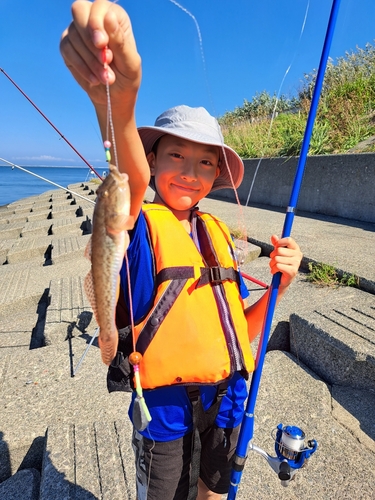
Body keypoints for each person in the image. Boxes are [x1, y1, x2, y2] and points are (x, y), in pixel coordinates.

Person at [60, 2, 303, 499]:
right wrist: (119, 102)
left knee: (213, 493)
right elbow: (127, 180)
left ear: (218, 175)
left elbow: (243, 333)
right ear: (153, 160)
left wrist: (280, 285)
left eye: (206, 162)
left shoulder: (215, 232)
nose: (191, 171)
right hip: (165, 413)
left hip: (230, 400)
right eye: (176, 155)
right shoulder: (140, 227)